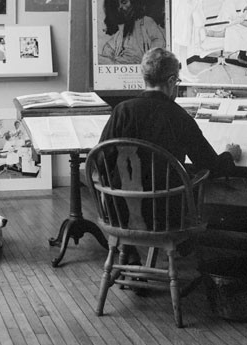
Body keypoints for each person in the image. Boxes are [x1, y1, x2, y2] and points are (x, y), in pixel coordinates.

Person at [99, 47, 242, 266]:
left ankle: (128, 248)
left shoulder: (122, 110)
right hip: (164, 214)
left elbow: (100, 160)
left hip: (120, 211)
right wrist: (230, 155)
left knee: (136, 181)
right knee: (187, 178)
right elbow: (210, 166)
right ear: (172, 80)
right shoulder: (178, 117)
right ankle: (183, 245)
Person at [99, 0, 166, 64]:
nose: (120, 7)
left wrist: (149, 60)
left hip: (140, 64)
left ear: (134, 3)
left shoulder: (146, 21)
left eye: (124, 2)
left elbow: (159, 41)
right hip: (120, 64)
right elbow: (109, 48)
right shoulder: (122, 29)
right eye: (117, 5)